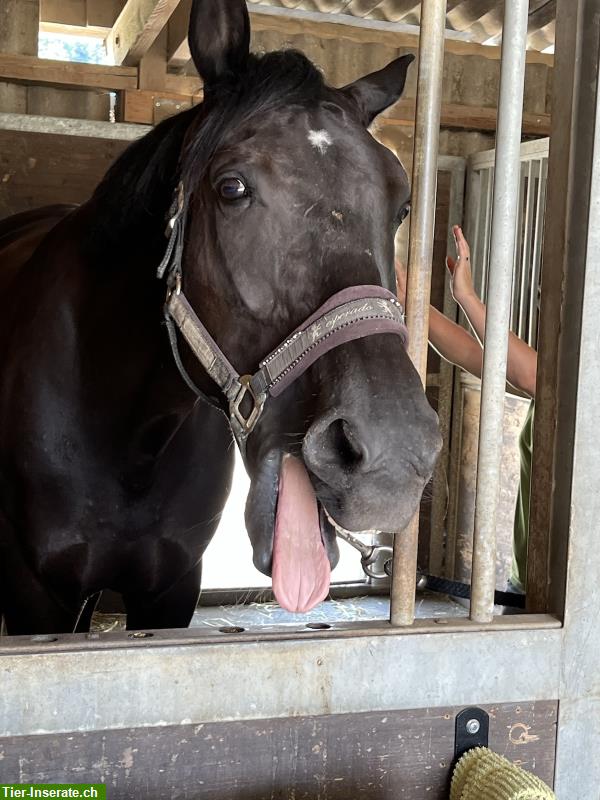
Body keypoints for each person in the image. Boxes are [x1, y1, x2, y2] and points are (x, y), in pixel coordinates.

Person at [396, 226, 537, 596]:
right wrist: (413, 302)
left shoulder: (573, 385)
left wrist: (468, 298)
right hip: (531, 585)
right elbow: (474, 355)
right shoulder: (564, 380)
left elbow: (532, 375)